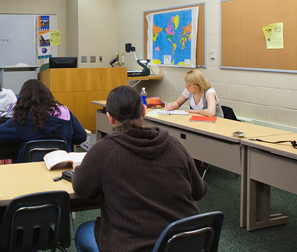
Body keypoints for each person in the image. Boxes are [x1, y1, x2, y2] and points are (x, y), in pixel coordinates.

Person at [72, 85, 207, 252]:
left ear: (110, 118)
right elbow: (199, 191)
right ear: (143, 111)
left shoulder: (104, 151)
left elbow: (81, 187)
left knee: (84, 231)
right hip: (186, 243)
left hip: (133, 246)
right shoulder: (175, 144)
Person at [0, 79, 87, 163]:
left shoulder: (23, 118)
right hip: (59, 167)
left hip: (27, 170)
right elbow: (81, 136)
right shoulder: (64, 112)